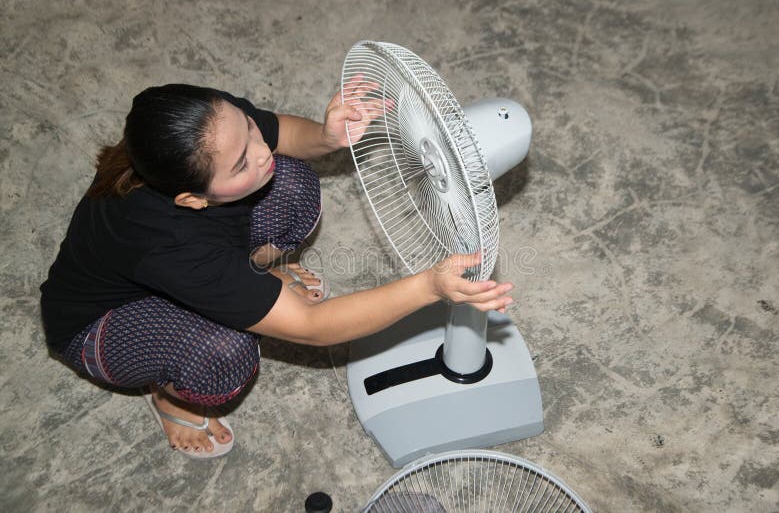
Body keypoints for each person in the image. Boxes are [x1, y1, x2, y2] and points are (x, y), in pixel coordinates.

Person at [39, 79, 514, 459]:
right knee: (224, 352)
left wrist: (327, 136)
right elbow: (311, 326)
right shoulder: (169, 246)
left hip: (190, 260)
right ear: (191, 199)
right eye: (241, 161)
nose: (260, 149)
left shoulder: (203, 127)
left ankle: (250, 286)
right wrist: (429, 286)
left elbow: (281, 135)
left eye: (247, 128)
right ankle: (171, 398)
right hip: (102, 324)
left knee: (292, 183)